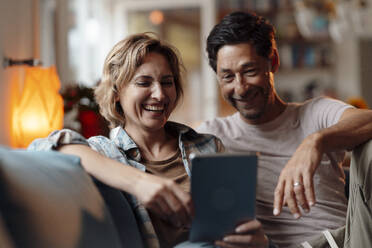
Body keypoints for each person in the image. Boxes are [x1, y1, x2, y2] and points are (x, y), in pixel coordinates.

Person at [29, 33, 272, 248]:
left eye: (167, 82)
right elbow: (42, 148)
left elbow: (237, 228)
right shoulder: (104, 152)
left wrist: (259, 242)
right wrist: (140, 183)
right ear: (116, 93)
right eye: (144, 82)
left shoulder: (208, 145)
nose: (160, 94)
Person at [197, 11, 372, 247]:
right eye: (227, 77)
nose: (240, 88)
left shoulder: (316, 113)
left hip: (346, 240)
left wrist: (315, 142)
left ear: (273, 62)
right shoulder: (210, 136)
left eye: (249, 71)